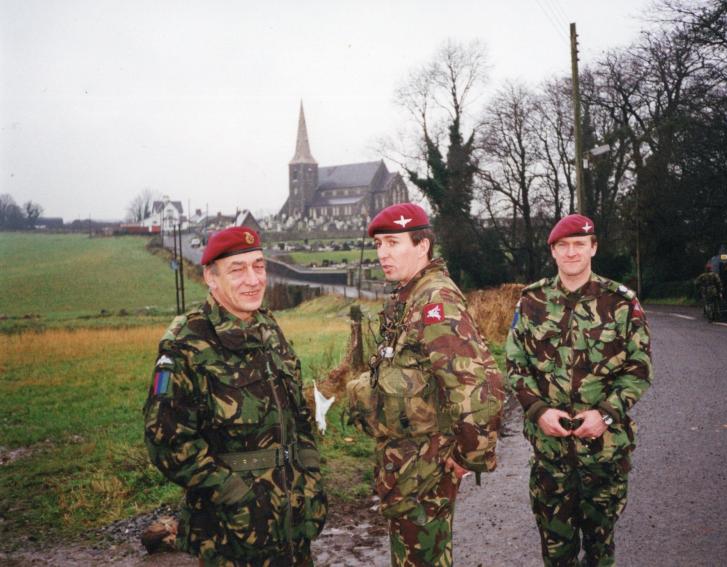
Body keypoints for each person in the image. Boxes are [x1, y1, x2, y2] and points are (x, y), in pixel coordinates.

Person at [143, 226, 327, 566]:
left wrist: (311, 476)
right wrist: (233, 493)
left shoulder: (269, 330)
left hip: (291, 522)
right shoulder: (187, 341)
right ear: (211, 278)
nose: (253, 279)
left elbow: (298, 414)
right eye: (237, 269)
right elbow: (166, 440)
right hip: (232, 533)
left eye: (258, 265)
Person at [346, 203, 503, 567]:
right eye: (379, 244)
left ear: (422, 246)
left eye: (393, 242)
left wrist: (469, 457)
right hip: (409, 464)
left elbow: (474, 384)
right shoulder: (410, 295)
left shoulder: (434, 300)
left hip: (427, 466)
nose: (383, 253)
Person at [506, 214, 653, 567]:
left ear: (593, 248)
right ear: (553, 252)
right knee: (556, 553)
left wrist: (604, 414)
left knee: (601, 551)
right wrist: (538, 411)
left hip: (603, 454)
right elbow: (515, 365)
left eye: (579, 245)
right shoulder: (531, 301)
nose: (572, 253)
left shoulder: (621, 302)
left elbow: (640, 369)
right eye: (563, 246)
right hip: (550, 454)